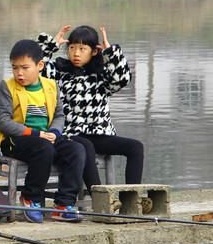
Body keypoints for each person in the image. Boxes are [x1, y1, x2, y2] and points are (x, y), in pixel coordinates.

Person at [0, 40, 86, 223]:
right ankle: (31, 198)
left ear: (39, 66)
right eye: (15, 68)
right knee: (44, 148)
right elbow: (4, 122)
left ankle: (63, 204)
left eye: (24, 67)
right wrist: (36, 134)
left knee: (76, 150)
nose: (19, 73)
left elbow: (59, 114)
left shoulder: (50, 86)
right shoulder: (7, 87)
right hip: (16, 139)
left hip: (46, 137)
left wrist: (55, 131)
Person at [37, 25, 144, 191]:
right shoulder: (59, 73)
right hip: (70, 134)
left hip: (98, 133)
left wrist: (111, 54)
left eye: (82, 48)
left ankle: (131, 197)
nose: (76, 53)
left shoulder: (101, 76)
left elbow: (122, 79)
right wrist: (50, 46)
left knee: (135, 147)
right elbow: (35, 69)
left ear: (94, 51)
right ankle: (100, 198)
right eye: (72, 48)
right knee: (85, 146)